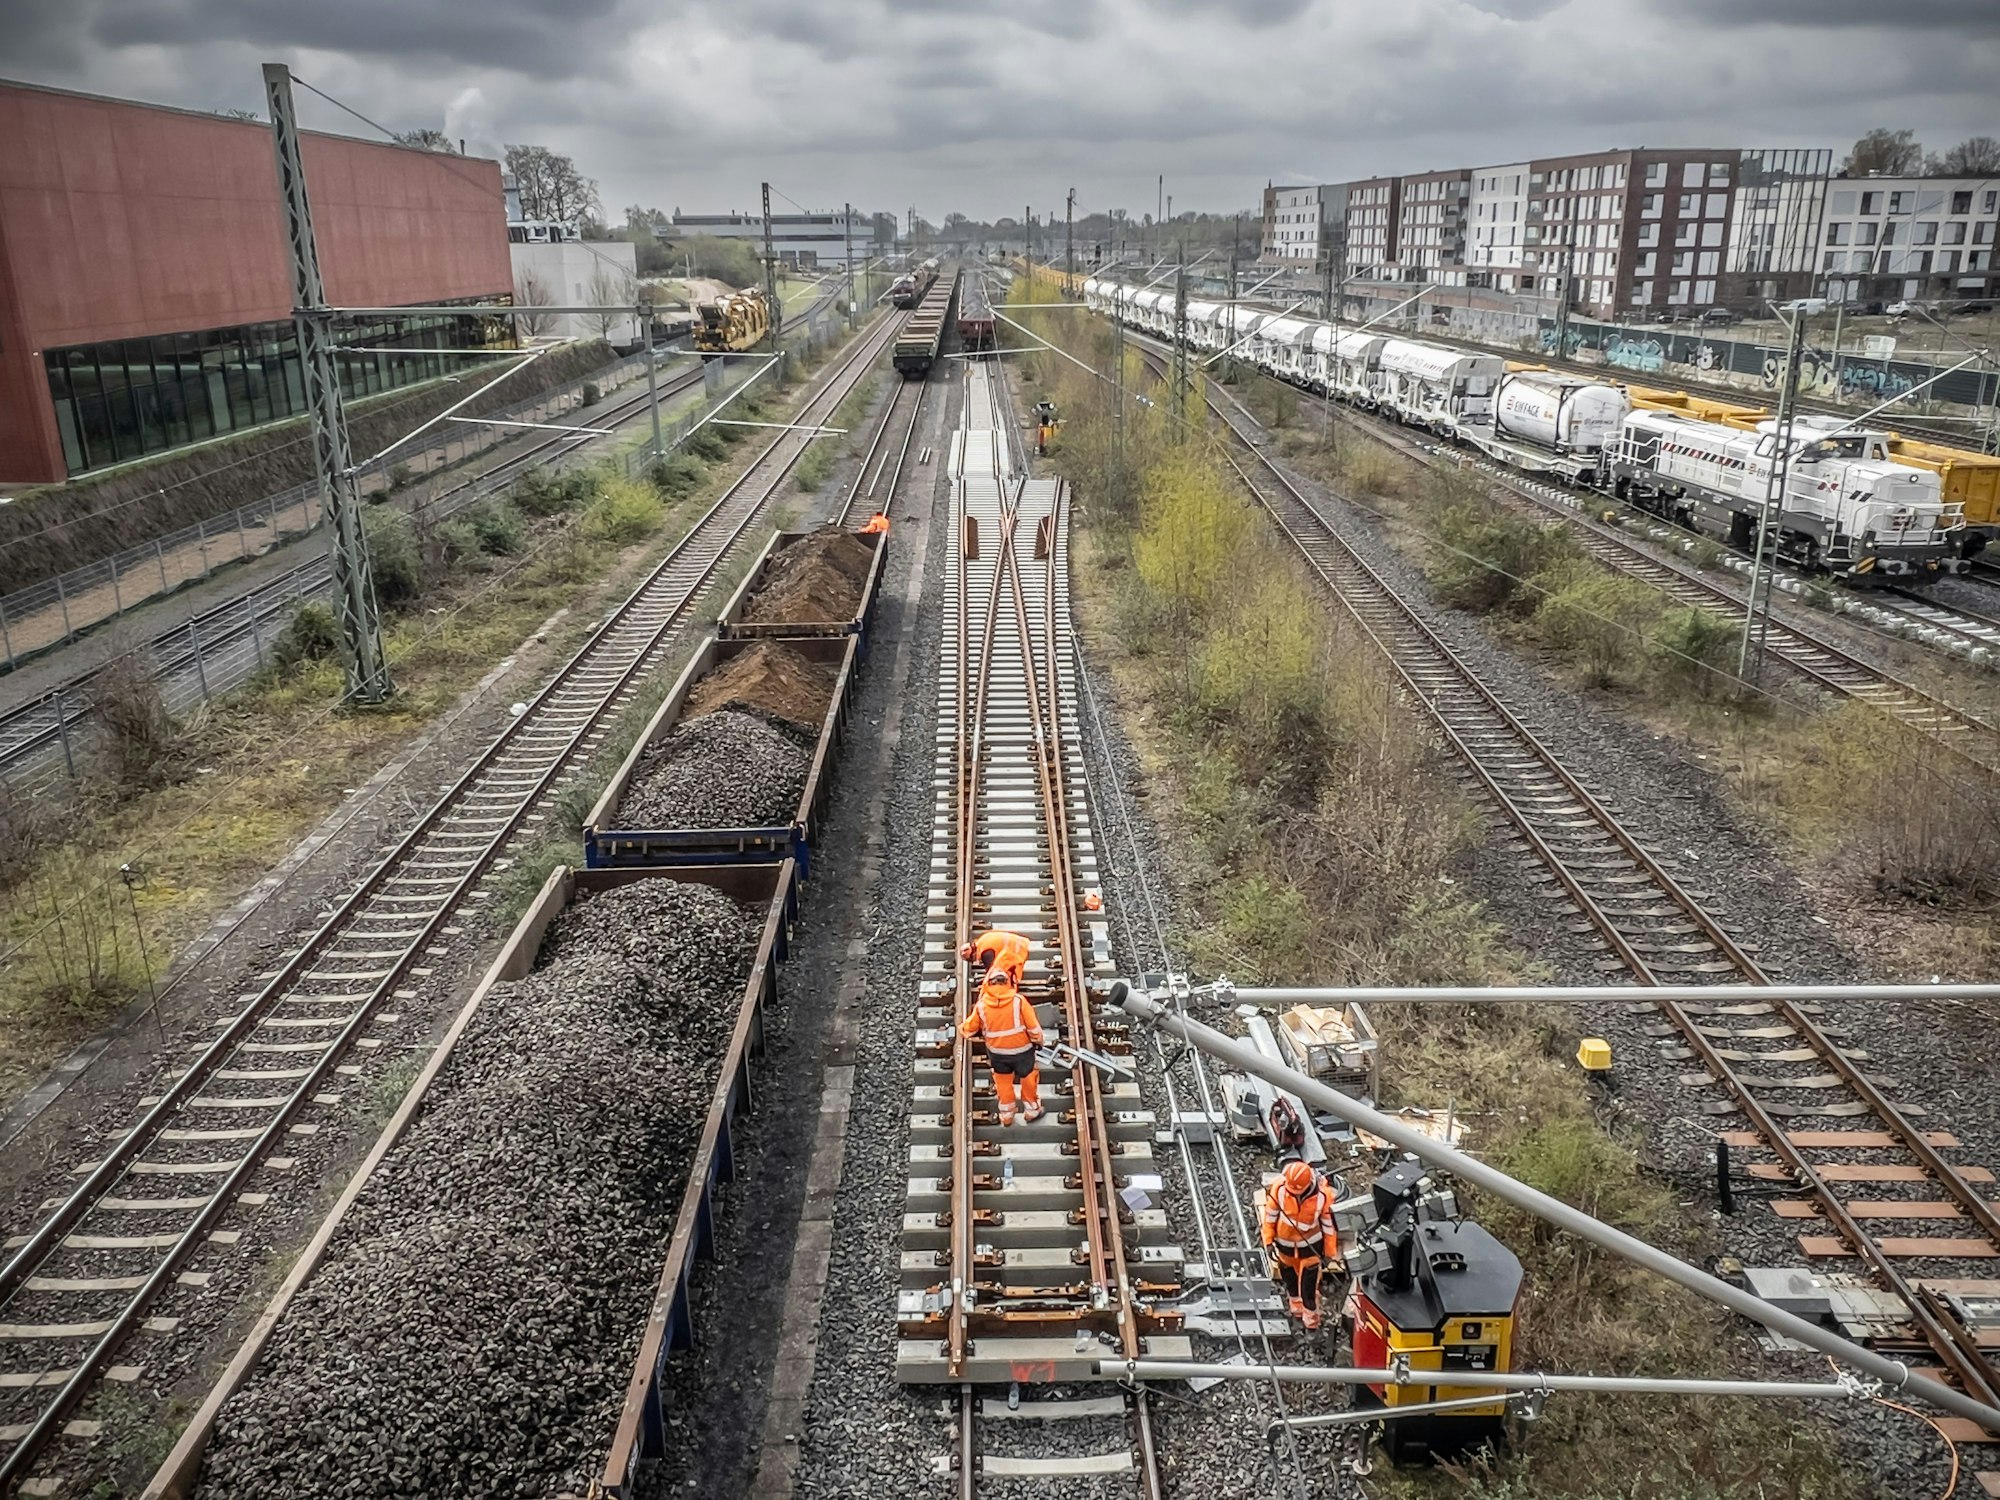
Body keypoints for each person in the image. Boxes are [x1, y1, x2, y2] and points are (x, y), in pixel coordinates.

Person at [956, 967, 1044, 1125]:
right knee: (1028, 1078)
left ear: (988, 984)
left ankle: (1007, 1114)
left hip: (997, 1054)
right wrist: (1038, 1041)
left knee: (1002, 1082)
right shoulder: (1018, 1001)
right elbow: (1033, 1027)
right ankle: (1032, 1110)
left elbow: (969, 1029)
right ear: (1008, 983)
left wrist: (962, 1029)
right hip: (1022, 1052)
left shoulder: (982, 1005)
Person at [1262, 1160, 1338, 1330]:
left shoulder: (1322, 1196)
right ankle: (1297, 1313)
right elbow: (1270, 1217)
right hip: (1285, 1250)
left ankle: (1311, 1324)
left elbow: (1329, 1226)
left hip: (1310, 1251)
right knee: (1290, 1284)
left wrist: (1328, 1253)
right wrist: (1268, 1241)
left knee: (1308, 1291)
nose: (1295, 1195)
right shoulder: (1280, 1189)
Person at [959, 928, 1031, 989]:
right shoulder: (982, 941)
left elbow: (993, 972)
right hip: (1020, 943)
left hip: (1017, 951)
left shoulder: (985, 953)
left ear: (972, 954)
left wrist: (985, 984)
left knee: (1007, 975)